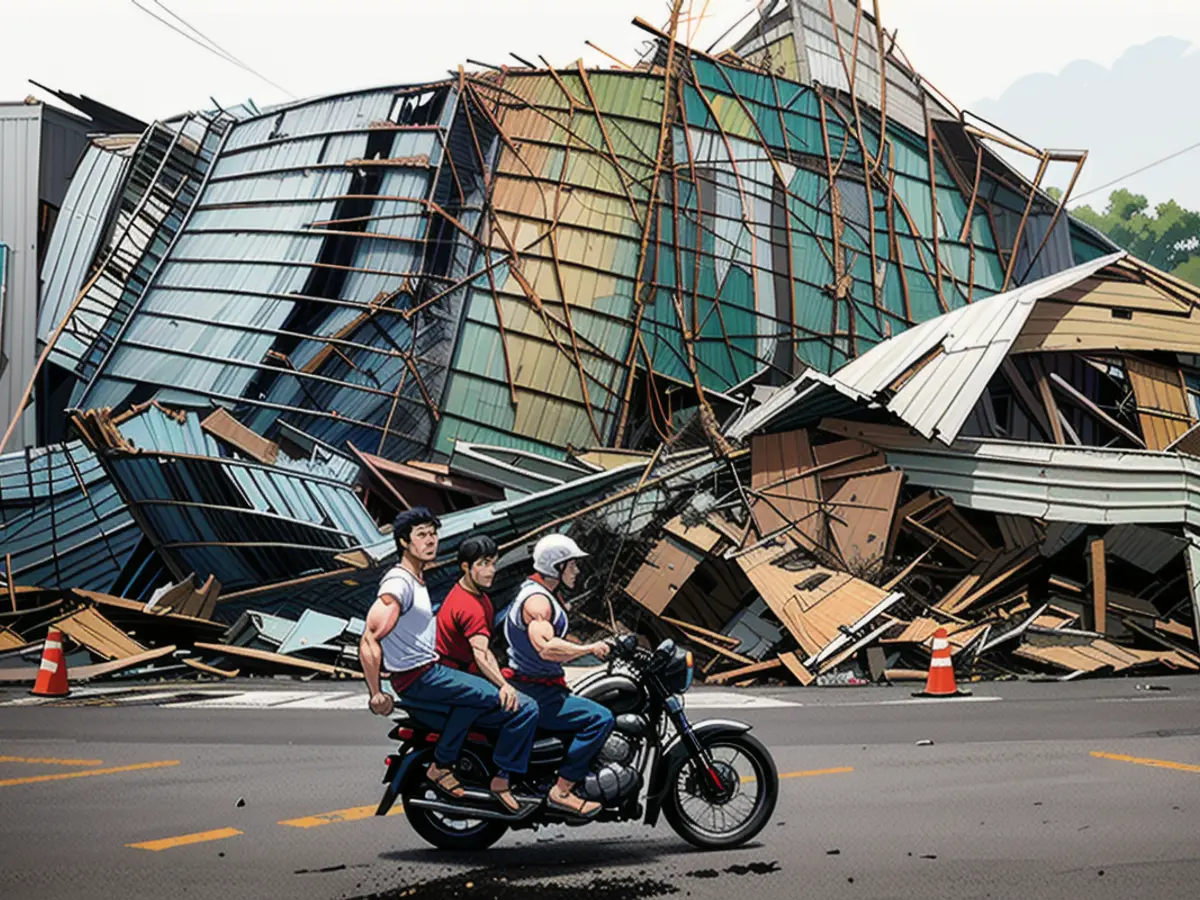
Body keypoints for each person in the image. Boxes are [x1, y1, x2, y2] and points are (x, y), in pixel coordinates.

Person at [359, 508, 538, 809]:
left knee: (475, 697)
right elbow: (369, 637)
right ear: (404, 542)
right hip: (419, 678)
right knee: (519, 704)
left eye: (433, 534)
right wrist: (376, 693)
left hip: (431, 670)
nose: (431, 541)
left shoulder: (417, 580)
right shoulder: (398, 584)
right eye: (422, 535)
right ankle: (446, 766)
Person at [503, 533, 615, 819]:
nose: (577, 571)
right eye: (572, 565)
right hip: (537, 690)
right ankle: (562, 791)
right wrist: (588, 648)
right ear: (556, 567)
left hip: (541, 683)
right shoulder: (538, 602)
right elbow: (545, 647)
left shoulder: (546, 593)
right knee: (600, 718)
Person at [434, 534, 537, 811]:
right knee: (526, 709)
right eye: (483, 564)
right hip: (459, 674)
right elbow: (480, 652)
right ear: (466, 567)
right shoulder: (469, 606)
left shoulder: (477, 595)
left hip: (465, 670)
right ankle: (502, 778)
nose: (491, 570)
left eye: (493, 563)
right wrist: (504, 684)